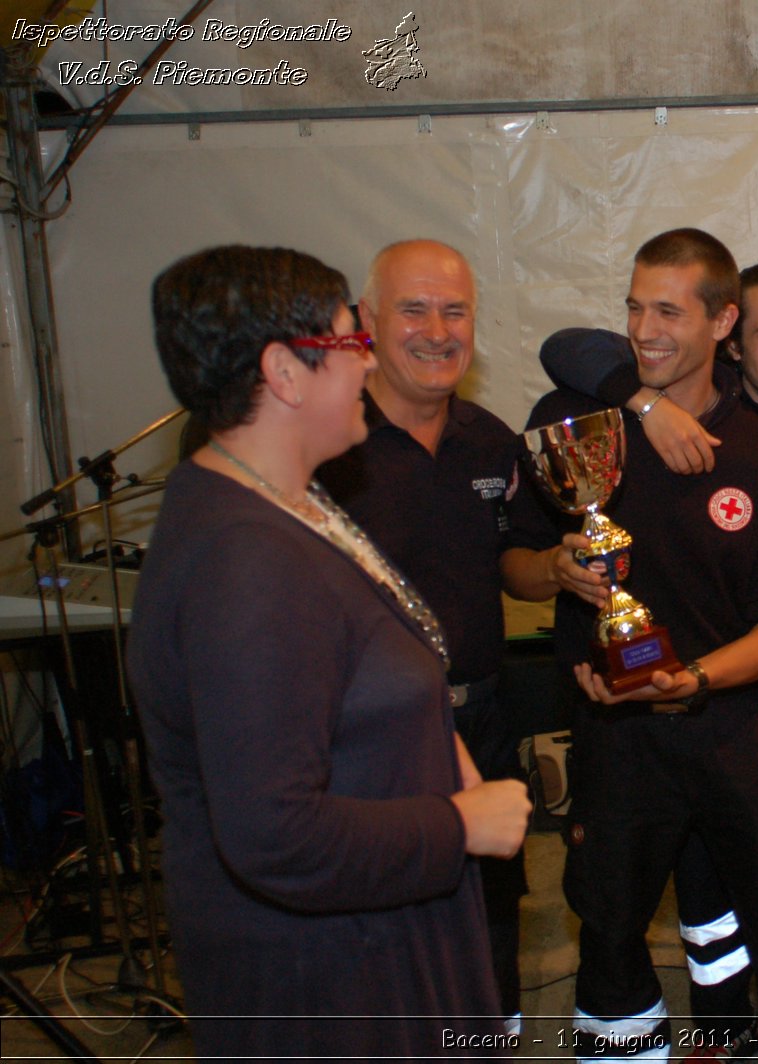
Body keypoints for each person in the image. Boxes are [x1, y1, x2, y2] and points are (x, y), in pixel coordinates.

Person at [127, 245, 531, 1057]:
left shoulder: (289, 502)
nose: (370, 360)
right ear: (284, 371)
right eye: (353, 341)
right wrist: (458, 827)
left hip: (374, 941)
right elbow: (275, 835)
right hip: (323, 985)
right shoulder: (244, 558)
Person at [539, 257, 758, 1054]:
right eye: (636, 309)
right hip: (617, 739)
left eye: (668, 313)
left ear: (716, 324)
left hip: (747, 729)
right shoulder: (586, 419)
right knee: (611, 935)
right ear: (743, 335)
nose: (644, 329)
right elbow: (524, 561)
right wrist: (555, 567)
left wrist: (693, 678)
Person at [316, 239, 547, 1023]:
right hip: (367, 736)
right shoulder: (327, 447)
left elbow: (513, 558)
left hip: (482, 717)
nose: (437, 330)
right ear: (369, 321)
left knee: (491, 920)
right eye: (414, 309)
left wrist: (560, 570)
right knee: (386, 929)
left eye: (455, 311)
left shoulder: (491, 440)